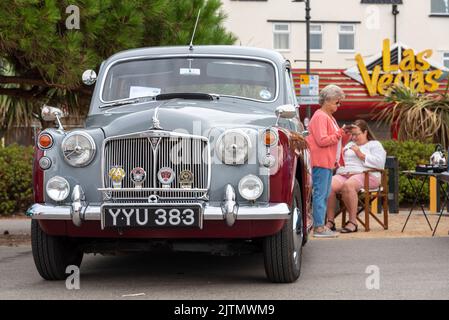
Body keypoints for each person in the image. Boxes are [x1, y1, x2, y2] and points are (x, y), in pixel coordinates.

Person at [325, 119, 387, 233]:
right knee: (328, 185)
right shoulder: (349, 145)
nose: (354, 137)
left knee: (348, 185)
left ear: (365, 132)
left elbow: (380, 163)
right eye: (352, 135)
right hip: (345, 174)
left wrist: (360, 155)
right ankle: (330, 221)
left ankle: (353, 222)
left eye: (357, 134)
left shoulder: (374, 145)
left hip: (367, 175)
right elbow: (339, 158)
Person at [307, 85, 351, 238]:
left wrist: (344, 134)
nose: (338, 106)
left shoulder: (328, 117)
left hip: (326, 161)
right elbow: (322, 140)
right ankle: (319, 228)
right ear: (328, 100)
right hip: (321, 161)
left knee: (323, 194)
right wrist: (340, 133)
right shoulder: (320, 116)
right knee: (320, 194)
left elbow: (335, 141)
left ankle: (320, 226)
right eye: (337, 102)